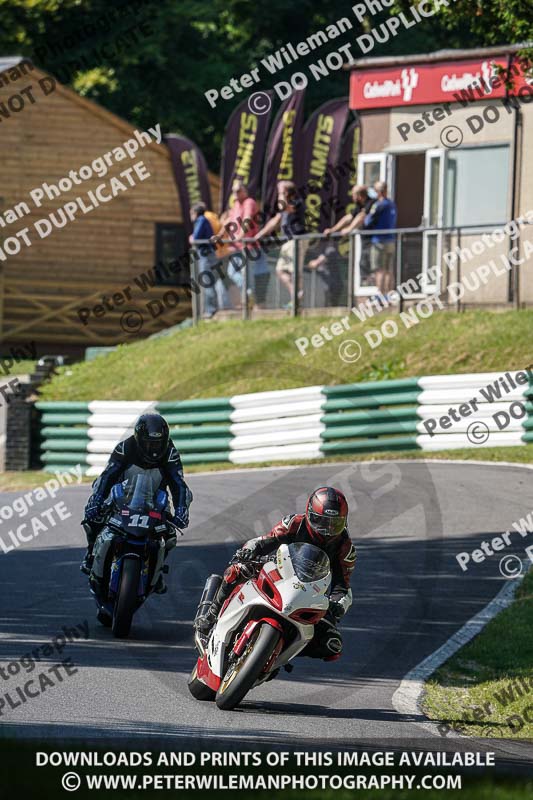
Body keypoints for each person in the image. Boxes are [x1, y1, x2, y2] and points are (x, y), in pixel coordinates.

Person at [196, 487, 356, 661]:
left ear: (344, 522)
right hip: (278, 570)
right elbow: (264, 541)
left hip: (310, 590)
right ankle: (211, 616)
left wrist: (337, 604)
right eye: (321, 522)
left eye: (335, 524)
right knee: (236, 571)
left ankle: (277, 652)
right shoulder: (294, 523)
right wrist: (249, 551)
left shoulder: (345, 547)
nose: (327, 530)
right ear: (310, 515)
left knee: (331, 643)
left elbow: (343, 586)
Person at [81, 413, 193, 592]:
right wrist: (97, 500)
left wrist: (181, 509)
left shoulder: (170, 453)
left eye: (157, 443)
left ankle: (155, 573)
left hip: (155, 500)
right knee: (93, 519)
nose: (153, 448)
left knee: (170, 535)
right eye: (149, 443)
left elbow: (178, 483)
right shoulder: (125, 448)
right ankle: (90, 553)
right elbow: (107, 476)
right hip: (122, 497)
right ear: (139, 439)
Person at [255, 180, 309, 306]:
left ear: (287, 192)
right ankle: (296, 296)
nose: (278, 194)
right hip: (288, 241)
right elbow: (275, 221)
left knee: (293, 271)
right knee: (280, 270)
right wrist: (259, 235)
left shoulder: (297, 202)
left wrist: (282, 194)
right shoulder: (286, 205)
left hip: (297, 240)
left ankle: (296, 300)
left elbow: (283, 207)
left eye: (280, 192)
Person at [221, 179, 271, 310]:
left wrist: (241, 235)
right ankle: (249, 294)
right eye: (233, 191)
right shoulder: (236, 204)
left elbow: (247, 219)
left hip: (248, 247)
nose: (235, 194)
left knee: (246, 274)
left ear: (244, 191)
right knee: (233, 273)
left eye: (237, 191)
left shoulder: (249, 202)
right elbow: (228, 221)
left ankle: (250, 298)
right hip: (238, 247)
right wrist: (219, 236)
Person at [190, 202, 230, 318]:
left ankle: (210, 310)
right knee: (211, 281)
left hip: (206, 255)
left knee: (207, 281)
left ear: (195, 213)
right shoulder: (204, 219)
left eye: (191, 213)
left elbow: (196, 237)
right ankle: (214, 307)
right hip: (208, 254)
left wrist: (191, 237)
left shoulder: (201, 220)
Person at [364, 181, 398, 297]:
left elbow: (368, 221)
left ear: (379, 192)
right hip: (391, 241)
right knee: (389, 269)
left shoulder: (379, 205)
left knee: (379, 269)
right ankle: (389, 294)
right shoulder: (392, 204)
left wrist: (366, 218)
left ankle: (380, 295)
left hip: (379, 241)